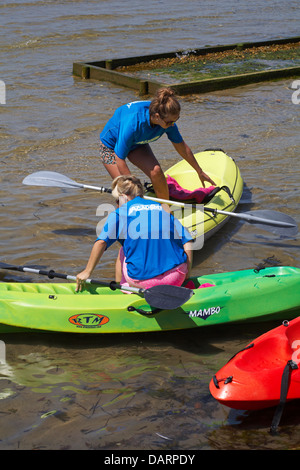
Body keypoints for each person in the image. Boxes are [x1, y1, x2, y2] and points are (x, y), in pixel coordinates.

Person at [76, 175, 193, 292]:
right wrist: (187, 272)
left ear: (123, 197)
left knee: (123, 250)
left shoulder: (120, 213)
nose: (117, 205)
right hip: (177, 276)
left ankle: (122, 289)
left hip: (143, 282)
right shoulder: (162, 208)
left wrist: (87, 272)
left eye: (117, 201)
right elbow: (187, 240)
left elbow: (101, 242)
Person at [99, 87, 215, 200]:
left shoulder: (168, 121)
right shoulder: (133, 125)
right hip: (111, 147)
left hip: (137, 143)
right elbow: (119, 158)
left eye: (176, 120)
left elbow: (182, 148)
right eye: (170, 122)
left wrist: (199, 171)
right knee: (127, 190)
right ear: (157, 117)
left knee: (156, 172)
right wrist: (132, 185)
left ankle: (165, 210)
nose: (173, 125)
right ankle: (128, 211)